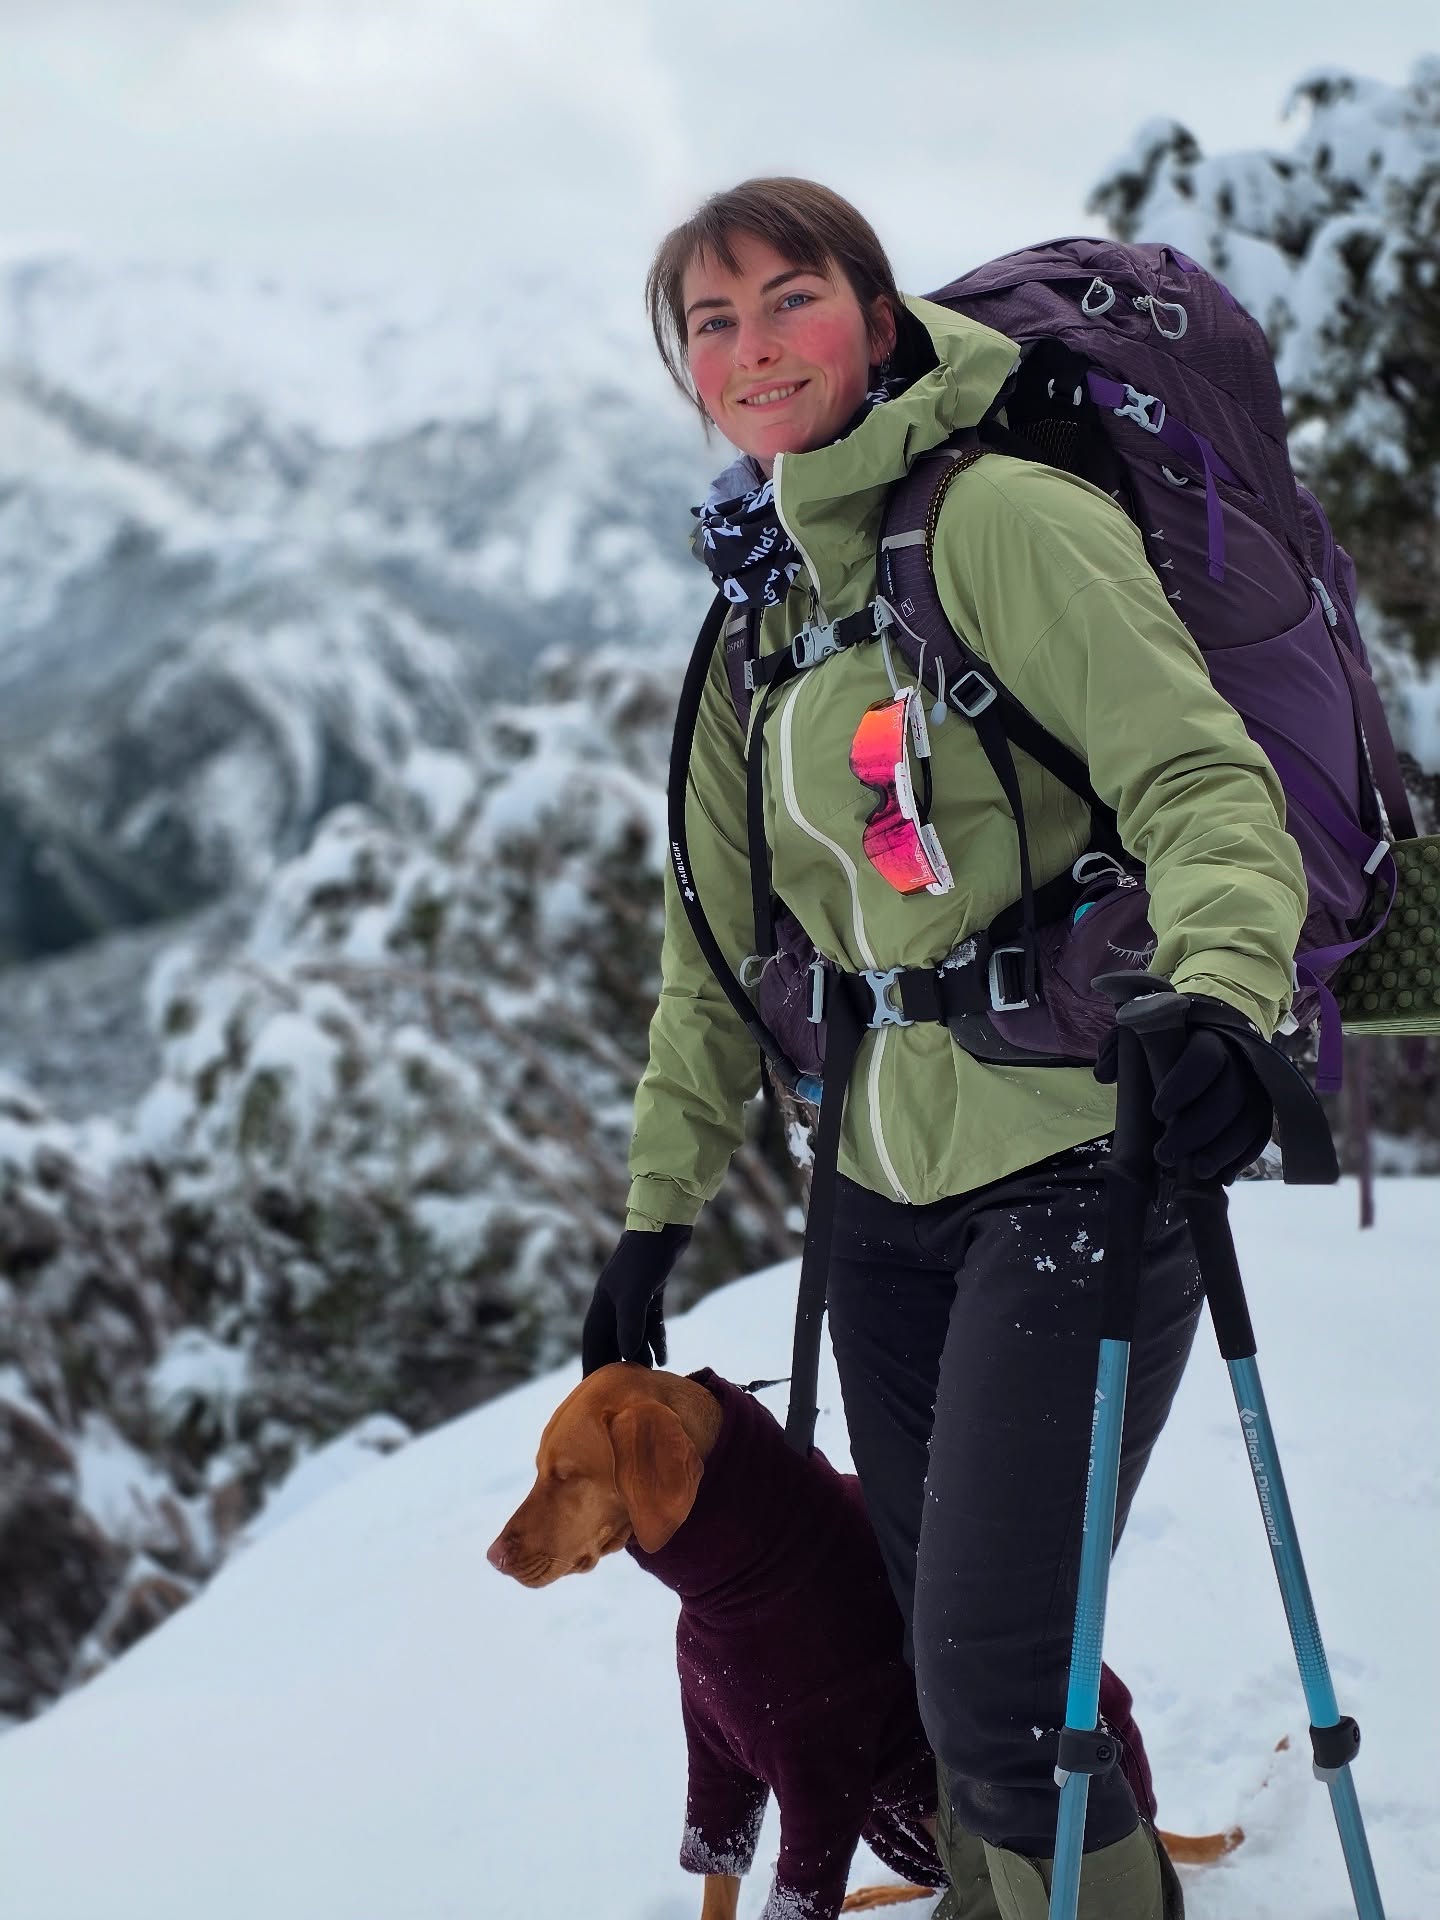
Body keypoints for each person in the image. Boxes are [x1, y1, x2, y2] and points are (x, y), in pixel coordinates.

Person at [582, 178, 1307, 1920]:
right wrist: (653, 1210)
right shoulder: (754, 625)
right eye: (712, 321)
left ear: (878, 318)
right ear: (686, 371)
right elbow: (708, 948)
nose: (753, 347)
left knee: (991, 1675)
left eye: (789, 299)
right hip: (881, 1201)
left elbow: (1208, 789)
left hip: (1083, 1162)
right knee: (935, 1655)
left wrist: (1217, 997)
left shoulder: (998, 524)